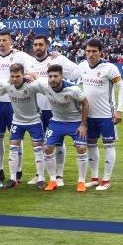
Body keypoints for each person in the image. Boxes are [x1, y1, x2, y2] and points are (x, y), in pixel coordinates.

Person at [0, 30, 35, 182]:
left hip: (14, 103)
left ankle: (18, 170)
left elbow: (34, 67)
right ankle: (0, 170)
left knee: (16, 138)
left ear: (11, 41)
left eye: (5, 40)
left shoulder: (21, 56)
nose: (1, 43)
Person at [28, 35, 80, 187]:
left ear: (47, 45)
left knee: (58, 143)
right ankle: (40, 175)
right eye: (35, 45)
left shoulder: (57, 60)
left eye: (40, 45)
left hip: (56, 110)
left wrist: (62, 58)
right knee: (41, 144)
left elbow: (76, 73)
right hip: (37, 110)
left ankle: (59, 175)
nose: (37, 47)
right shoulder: (29, 62)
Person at [77, 38, 123, 191]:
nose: (90, 54)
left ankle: (106, 180)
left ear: (100, 52)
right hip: (88, 116)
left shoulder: (109, 68)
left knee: (108, 145)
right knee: (91, 145)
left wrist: (119, 110)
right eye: (88, 51)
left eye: (94, 51)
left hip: (106, 115)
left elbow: (122, 88)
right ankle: (94, 178)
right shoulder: (82, 66)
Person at [37, 65, 91, 192]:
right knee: (47, 148)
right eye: (50, 76)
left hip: (75, 122)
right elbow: (36, 77)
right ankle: (52, 180)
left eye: (56, 76)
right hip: (57, 122)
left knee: (82, 148)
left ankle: (81, 182)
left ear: (61, 77)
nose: (52, 79)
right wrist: (28, 75)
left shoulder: (73, 89)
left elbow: (86, 103)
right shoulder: (45, 86)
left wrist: (83, 125)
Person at [0, 63, 47, 189]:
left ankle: (40, 178)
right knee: (13, 148)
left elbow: (45, 86)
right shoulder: (7, 86)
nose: (15, 79)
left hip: (34, 121)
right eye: (12, 76)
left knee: (38, 150)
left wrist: (35, 76)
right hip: (17, 121)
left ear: (23, 75)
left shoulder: (32, 86)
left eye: (18, 76)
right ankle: (13, 179)